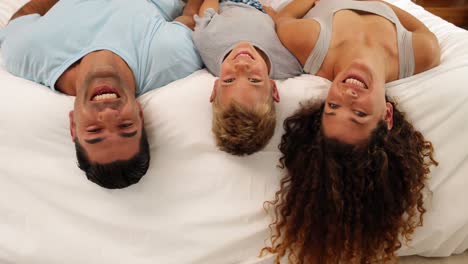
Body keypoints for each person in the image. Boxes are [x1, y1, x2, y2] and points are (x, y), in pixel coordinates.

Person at [262, 0, 440, 263]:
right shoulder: (422, 53)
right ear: (388, 116)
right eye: (359, 114)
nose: (347, 95)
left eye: (332, 106)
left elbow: (282, 18)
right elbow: (425, 30)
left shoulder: (310, 44)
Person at [0, 0, 204, 189]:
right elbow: (191, 12)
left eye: (94, 130)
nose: (107, 114)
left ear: (73, 125)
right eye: (125, 126)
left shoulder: (28, 54)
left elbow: (21, 20)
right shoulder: (169, 58)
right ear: (140, 115)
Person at [193, 0, 303, 155]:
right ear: (273, 89)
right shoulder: (291, 62)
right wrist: (275, 16)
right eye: (254, 80)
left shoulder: (207, 42)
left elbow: (208, 11)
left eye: (229, 80)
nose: (242, 66)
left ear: (215, 88)